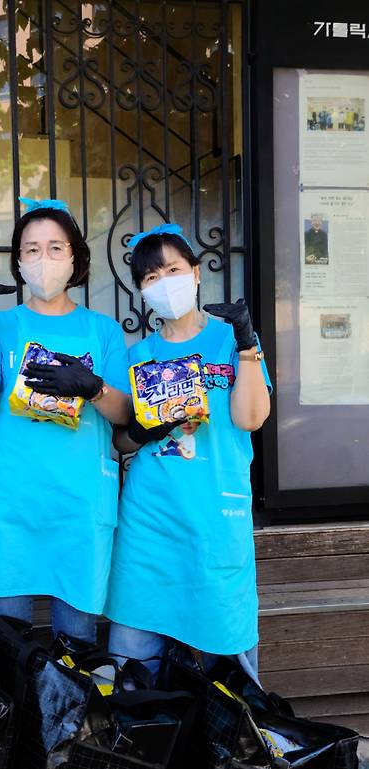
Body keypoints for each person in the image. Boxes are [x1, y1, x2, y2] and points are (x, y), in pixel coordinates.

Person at [0, 197, 131, 641]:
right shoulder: (1, 327)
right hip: (13, 503)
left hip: (78, 504)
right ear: (18, 261)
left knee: (75, 641)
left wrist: (92, 387)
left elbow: (124, 414)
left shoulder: (103, 330)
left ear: (75, 257)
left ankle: (67, 714)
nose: (43, 259)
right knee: (7, 638)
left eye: (55, 248)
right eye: (31, 249)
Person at [105, 223, 271, 683]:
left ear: (196, 274)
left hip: (217, 519)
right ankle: (142, 750)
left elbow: (251, 418)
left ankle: (230, 755)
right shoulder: (138, 356)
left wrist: (247, 346)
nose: (165, 284)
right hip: (149, 522)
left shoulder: (230, 342)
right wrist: (144, 429)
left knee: (229, 667)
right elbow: (121, 441)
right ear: (141, 291)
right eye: (151, 278)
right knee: (132, 664)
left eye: (173, 270)